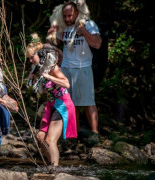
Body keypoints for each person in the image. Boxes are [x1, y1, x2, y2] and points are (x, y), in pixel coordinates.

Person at [48, 1, 102, 144]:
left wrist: (83, 31)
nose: (67, 19)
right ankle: (74, 132)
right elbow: (54, 43)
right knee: (70, 102)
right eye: (64, 16)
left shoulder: (88, 24)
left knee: (88, 101)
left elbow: (97, 44)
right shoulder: (63, 25)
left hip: (83, 67)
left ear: (77, 12)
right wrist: (52, 34)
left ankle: (95, 133)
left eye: (69, 15)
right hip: (66, 68)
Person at [26, 33, 77, 170]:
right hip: (51, 105)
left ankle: (54, 170)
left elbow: (66, 84)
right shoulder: (42, 69)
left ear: (40, 55)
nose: (30, 60)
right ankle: (52, 165)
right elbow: (45, 91)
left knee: (50, 140)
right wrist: (34, 79)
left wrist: (48, 76)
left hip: (62, 104)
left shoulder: (53, 68)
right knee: (41, 138)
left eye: (32, 57)